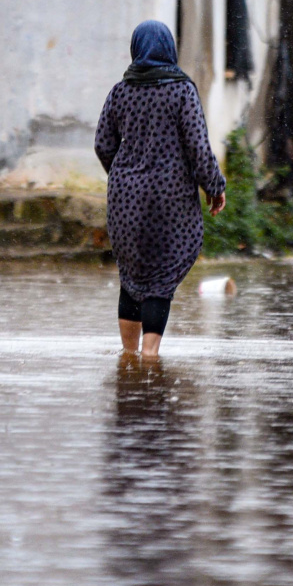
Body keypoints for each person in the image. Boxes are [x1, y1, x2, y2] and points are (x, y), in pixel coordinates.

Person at [94, 21, 226, 358]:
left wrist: (124, 176)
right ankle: (150, 357)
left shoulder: (119, 92)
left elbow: (103, 144)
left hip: (126, 201)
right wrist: (214, 186)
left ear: (135, 48)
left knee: (132, 275)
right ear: (169, 49)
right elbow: (198, 147)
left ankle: (129, 357)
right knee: (160, 278)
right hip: (171, 200)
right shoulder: (182, 91)